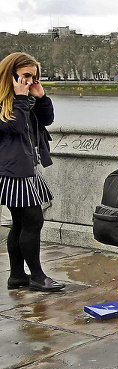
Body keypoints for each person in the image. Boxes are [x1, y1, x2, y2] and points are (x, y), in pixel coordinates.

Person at [0, 52, 64, 292]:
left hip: (25, 166)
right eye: (26, 76)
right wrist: (20, 98)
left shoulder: (26, 98)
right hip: (12, 171)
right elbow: (14, 127)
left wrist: (41, 96)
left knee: (19, 223)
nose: (30, 81)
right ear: (11, 74)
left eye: (34, 77)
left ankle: (17, 276)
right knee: (33, 221)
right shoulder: (7, 101)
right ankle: (37, 276)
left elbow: (46, 120)